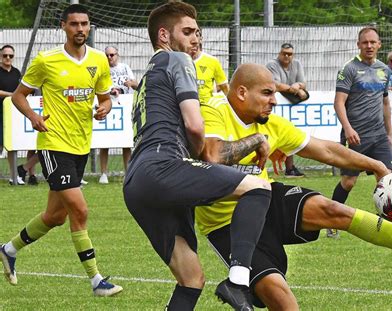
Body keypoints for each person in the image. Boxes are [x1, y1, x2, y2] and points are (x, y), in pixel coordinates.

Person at [195, 63, 392, 310]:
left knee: (333, 210)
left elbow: (327, 151)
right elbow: (213, 154)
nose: (275, 102)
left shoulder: (273, 124)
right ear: (242, 92)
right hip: (226, 223)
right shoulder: (214, 111)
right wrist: (257, 141)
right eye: (267, 93)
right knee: (284, 303)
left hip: (265, 199)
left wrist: (375, 165)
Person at [122, 2, 271, 310]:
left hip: (136, 182)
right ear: (164, 36)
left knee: (191, 278)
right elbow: (194, 124)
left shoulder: (148, 77)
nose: (196, 40)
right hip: (163, 166)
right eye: (187, 32)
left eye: (198, 34)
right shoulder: (177, 60)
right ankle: (238, 282)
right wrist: (208, 153)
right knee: (258, 187)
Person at [1, 4, 122, 296]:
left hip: (81, 146)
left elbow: (104, 97)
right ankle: (96, 281)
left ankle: (9, 249)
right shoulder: (47, 60)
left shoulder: (98, 60)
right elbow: (19, 96)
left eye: (85, 24)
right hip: (53, 145)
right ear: (63, 27)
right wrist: (34, 118)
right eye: (74, 24)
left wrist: (104, 108)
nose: (80, 29)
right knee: (80, 210)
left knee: (55, 216)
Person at [328, 26, 392, 239]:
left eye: (373, 42)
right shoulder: (349, 69)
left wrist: (389, 134)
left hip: (379, 135)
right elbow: (339, 103)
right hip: (355, 135)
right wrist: (348, 129)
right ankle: (331, 221)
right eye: (365, 42)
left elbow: (385, 104)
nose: (369, 46)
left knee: (387, 178)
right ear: (358, 45)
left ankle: (382, 225)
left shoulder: (385, 70)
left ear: (379, 44)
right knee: (349, 182)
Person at [266, 43, 309, 178]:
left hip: (289, 105)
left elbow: (303, 82)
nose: (286, 56)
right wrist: (294, 89)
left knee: (290, 134)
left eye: (289, 54)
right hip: (274, 104)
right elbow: (275, 85)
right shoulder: (272, 65)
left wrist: (298, 86)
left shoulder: (297, 64)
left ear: (293, 55)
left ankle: (290, 168)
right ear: (279, 53)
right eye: (284, 53)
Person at [98, 46, 138, 184]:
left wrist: (130, 84)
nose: (109, 58)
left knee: (126, 142)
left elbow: (135, 84)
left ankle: (128, 172)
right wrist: (111, 91)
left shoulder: (125, 68)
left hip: (124, 106)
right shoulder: (103, 69)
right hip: (108, 106)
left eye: (112, 55)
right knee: (105, 141)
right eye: (107, 55)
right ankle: (103, 173)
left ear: (117, 55)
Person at [0, 44, 25, 185]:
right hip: (0, 113)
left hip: (12, 115)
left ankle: (13, 176)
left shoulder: (16, 72)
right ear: (0, 56)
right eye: (5, 55)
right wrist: (12, 95)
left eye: (10, 56)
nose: (8, 58)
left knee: (11, 145)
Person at [190, 29, 229, 104]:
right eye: (188, 34)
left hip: (206, 108)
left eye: (197, 35)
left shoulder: (212, 61)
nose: (193, 39)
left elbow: (224, 87)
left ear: (201, 39)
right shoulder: (179, 60)